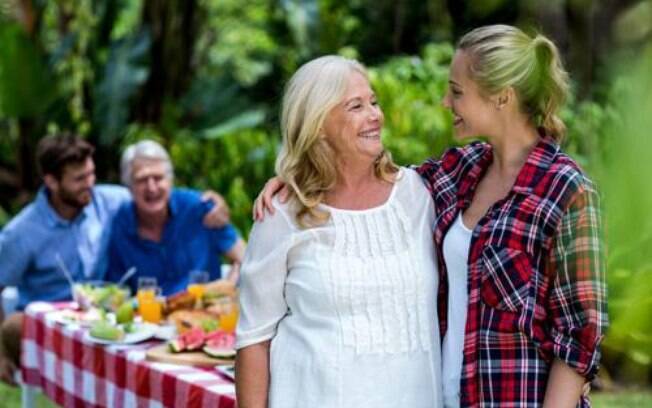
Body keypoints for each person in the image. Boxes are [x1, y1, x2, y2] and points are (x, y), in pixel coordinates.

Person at [254, 25, 607, 407]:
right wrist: (295, 176)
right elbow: (366, 182)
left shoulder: (566, 190)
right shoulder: (458, 173)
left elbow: (579, 336)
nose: (445, 102)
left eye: (457, 92)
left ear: (502, 98)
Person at [235, 56, 442, 407]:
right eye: (356, 106)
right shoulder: (281, 213)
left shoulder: (420, 194)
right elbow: (254, 339)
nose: (375, 115)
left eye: (374, 102)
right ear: (317, 124)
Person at [0, 134, 229, 385]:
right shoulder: (22, 232)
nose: (90, 184)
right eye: (79, 179)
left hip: (102, 323)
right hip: (50, 328)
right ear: (52, 182)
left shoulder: (108, 200)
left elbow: (155, 194)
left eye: (91, 174)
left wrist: (212, 202)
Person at [105, 140, 245, 296]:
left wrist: (226, 290)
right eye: (142, 180)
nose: (151, 188)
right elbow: (116, 290)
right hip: (149, 318)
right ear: (129, 187)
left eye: (158, 178)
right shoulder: (121, 224)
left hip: (205, 315)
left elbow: (245, 259)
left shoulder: (199, 208)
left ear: (170, 181)